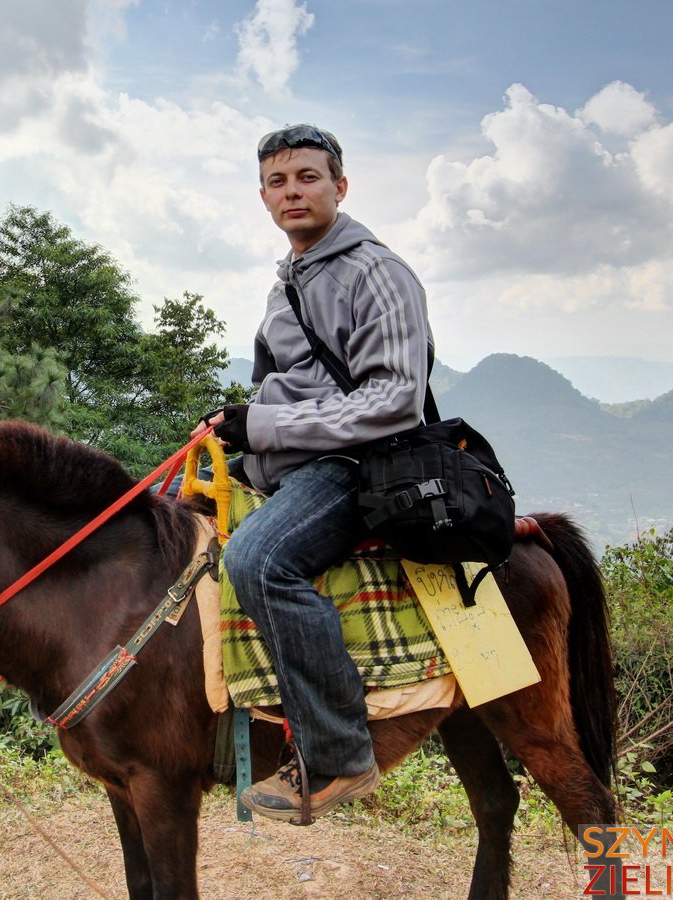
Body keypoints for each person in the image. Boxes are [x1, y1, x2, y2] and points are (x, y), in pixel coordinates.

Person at [198, 124, 431, 823]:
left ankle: (337, 756)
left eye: (307, 176)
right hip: (295, 455)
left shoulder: (376, 272)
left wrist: (266, 428)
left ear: (340, 186)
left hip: (360, 465)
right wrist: (241, 421)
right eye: (278, 181)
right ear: (263, 194)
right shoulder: (289, 282)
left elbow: (394, 398)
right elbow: (285, 389)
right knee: (169, 511)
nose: (292, 191)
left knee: (260, 560)